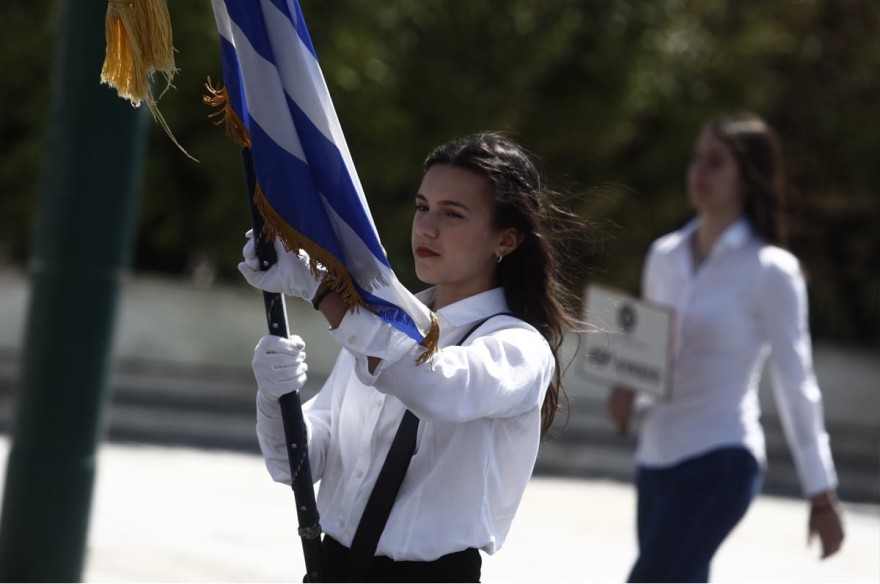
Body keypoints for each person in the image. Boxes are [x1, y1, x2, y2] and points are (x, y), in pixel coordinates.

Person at [239, 132, 579, 582]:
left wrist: (322, 290)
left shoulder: (519, 347)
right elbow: (296, 463)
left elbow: (434, 387)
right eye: (423, 207)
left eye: (453, 214)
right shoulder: (379, 328)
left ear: (507, 240)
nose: (427, 227)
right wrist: (275, 394)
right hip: (331, 567)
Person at [607, 112, 845, 582]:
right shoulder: (664, 256)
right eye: (695, 159)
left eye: (715, 163)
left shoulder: (773, 271)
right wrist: (630, 393)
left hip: (721, 460)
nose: (698, 172)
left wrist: (822, 494)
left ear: (748, 178)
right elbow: (656, 360)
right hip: (653, 461)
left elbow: (798, 385)